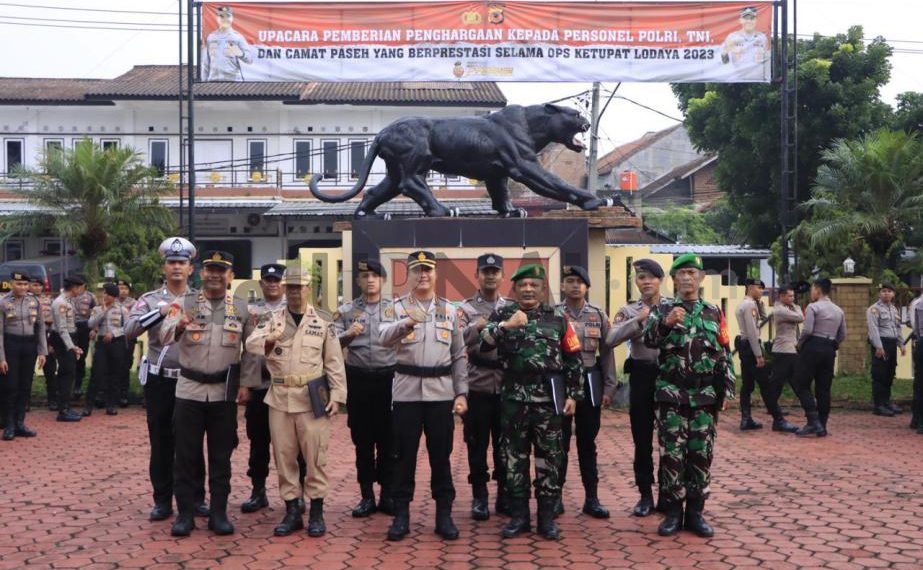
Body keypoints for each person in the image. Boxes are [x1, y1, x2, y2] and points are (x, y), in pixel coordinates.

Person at [481, 263, 583, 541]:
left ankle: (547, 518)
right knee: (514, 458)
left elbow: (573, 358)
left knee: (549, 458)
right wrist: (506, 326)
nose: (528, 289)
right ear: (514, 289)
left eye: (533, 285)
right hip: (514, 400)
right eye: (522, 285)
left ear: (542, 289)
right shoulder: (503, 314)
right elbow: (484, 342)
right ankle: (519, 517)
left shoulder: (558, 318)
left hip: (549, 401)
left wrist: (573, 395)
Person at [245, 267, 347, 537]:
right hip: (279, 398)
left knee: (315, 458)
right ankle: (292, 512)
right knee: (284, 457)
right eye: (289, 287)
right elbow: (251, 344)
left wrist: (337, 396)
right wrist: (269, 338)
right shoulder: (272, 319)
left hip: (312, 398)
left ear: (308, 289)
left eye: (299, 287)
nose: (294, 292)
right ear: (284, 289)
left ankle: (316, 513)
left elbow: (334, 362)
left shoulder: (323, 321)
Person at [160, 250, 252, 537]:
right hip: (189, 391)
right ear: (201, 274)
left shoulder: (241, 308)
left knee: (221, 456)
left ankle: (219, 513)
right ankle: (185, 514)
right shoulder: (183, 303)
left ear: (230, 276)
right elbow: (163, 335)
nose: (214, 275)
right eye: (210, 270)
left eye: (221, 271)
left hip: (224, 393)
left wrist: (246, 384)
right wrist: (178, 327)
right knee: (185, 455)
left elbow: (251, 351)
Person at [642, 253, 735, 538]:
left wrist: (728, 388)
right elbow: (648, 340)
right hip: (671, 394)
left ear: (701, 278)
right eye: (681, 273)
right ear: (673, 279)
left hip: (704, 396)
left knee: (701, 454)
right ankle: (673, 513)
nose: (686, 278)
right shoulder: (662, 309)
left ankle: (695, 513)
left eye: (692, 273)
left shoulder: (713, 311)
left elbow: (724, 351)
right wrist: (666, 323)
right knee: (672, 454)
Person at [378, 251, 468, 542]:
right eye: (417, 270)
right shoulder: (395, 308)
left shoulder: (449, 310)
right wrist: (406, 323)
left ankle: (444, 515)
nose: (423, 275)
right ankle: (401, 515)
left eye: (428, 270)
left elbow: (459, 355)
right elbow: (382, 338)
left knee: (441, 456)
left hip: (440, 393)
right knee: (403, 456)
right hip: (406, 393)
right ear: (409, 275)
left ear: (435, 274)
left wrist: (461, 393)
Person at [126, 237, 209, 522]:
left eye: (181, 263)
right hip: (160, 381)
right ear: (164, 267)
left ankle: (196, 498)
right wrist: (160, 312)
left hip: (191, 380)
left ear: (190, 268)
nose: (176, 267)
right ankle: (162, 500)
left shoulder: (201, 299)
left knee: (193, 442)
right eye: (172, 262)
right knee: (161, 442)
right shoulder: (150, 299)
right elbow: (130, 330)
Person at [239, 263, 306, 515]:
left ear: (284, 284)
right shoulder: (250, 311)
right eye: (268, 280)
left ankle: (298, 493)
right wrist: (245, 384)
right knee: (258, 441)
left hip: (288, 384)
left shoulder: (297, 309)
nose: (272, 284)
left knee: (294, 443)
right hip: (259, 385)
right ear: (261, 284)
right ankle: (258, 492)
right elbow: (247, 351)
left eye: (277, 280)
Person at [334, 259, 397, 518]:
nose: (370, 280)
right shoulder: (346, 311)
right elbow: (331, 343)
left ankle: (388, 495)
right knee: (362, 440)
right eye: (365, 276)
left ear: (383, 280)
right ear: (358, 281)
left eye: (375, 276)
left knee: (389, 440)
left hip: (389, 381)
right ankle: (367, 496)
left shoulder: (396, 309)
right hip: (359, 381)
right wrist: (348, 334)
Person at [605, 258, 666, 517]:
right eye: (641, 278)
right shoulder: (629, 310)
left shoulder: (673, 307)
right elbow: (610, 339)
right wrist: (638, 321)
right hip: (641, 376)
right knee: (642, 439)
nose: (646, 282)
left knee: (670, 439)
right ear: (637, 282)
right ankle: (645, 495)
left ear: (660, 280)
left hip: (669, 377)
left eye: (651, 277)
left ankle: (668, 493)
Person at [556, 265, 615, 518]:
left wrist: (610, 386)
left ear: (587, 287)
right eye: (570, 281)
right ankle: (555, 498)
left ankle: (592, 498)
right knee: (558, 443)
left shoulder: (598, 315)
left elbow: (607, 351)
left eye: (580, 282)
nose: (575, 286)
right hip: (561, 382)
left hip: (591, 380)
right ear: (562, 286)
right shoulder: (553, 314)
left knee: (587, 442)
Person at [457, 253, 508, 521]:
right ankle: (480, 497)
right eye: (485, 271)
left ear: (502, 276)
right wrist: (476, 327)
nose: (490, 276)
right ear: (477, 275)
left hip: (507, 387)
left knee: (505, 445)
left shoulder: (511, 307)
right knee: (476, 445)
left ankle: (504, 494)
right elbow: (455, 341)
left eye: (495, 271)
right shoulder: (465, 309)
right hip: (477, 385)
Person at [735, 279, 798, 433]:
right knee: (766, 385)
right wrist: (758, 355)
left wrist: (760, 303)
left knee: (747, 385)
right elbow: (752, 331)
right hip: (751, 347)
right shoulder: (749, 305)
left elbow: (763, 317)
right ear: (750, 288)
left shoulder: (746, 304)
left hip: (744, 346)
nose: (761, 291)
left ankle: (746, 419)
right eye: (758, 288)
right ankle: (778, 420)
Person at [792, 278, 847, 437]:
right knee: (823, 388)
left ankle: (813, 421)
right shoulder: (838, 310)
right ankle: (822, 425)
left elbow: (808, 330)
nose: (811, 292)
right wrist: (833, 344)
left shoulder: (813, 307)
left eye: (812, 289)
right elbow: (843, 334)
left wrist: (799, 344)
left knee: (801, 383)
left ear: (817, 289)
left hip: (813, 346)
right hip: (829, 349)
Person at [0, 271, 47, 440]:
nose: (22, 287)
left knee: (25, 385)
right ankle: (9, 425)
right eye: (19, 284)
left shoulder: (34, 301)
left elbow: (41, 327)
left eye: (25, 284)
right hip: (11, 344)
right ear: (11, 284)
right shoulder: (3, 302)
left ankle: (20, 423)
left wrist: (42, 351)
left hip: (29, 345)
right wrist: (1, 358)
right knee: (10, 386)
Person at [83, 283, 128, 417]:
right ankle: (88, 406)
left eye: (108, 294)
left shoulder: (122, 310)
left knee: (115, 374)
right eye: (105, 293)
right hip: (102, 342)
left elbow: (127, 327)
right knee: (96, 373)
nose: (105, 296)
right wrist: (103, 311)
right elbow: (90, 324)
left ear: (114, 296)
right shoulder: (97, 309)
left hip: (116, 342)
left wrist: (114, 333)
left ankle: (111, 405)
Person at [50, 275, 86, 422]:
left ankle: (66, 406)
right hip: (63, 340)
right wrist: (71, 347)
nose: (82, 291)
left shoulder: (68, 301)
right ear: (74, 288)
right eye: (81, 288)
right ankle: (63, 411)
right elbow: (62, 329)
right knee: (66, 373)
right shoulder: (61, 303)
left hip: (68, 338)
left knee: (69, 373)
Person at [867, 282, 905, 417]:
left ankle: (886, 402)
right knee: (879, 375)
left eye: (889, 291)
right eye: (883, 291)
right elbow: (873, 329)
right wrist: (878, 346)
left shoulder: (894, 309)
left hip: (892, 343)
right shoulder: (874, 309)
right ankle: (879, 405)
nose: (886, 294)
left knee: (889, 373)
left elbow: (898, 328)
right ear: (879, 293)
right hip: (881, 344)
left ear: (893, 294)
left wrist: (901, 344)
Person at [770, 285, 804, 425]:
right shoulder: (780, 310)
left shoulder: (787, 308)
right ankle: (773, 409)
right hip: (783, 350)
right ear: (782, 296)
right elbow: (801, 317)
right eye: (790, 296)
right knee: (778, 383)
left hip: (790, 350)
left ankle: (809, 409)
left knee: (795, 381)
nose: (792, 298)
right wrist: (797, 306)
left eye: (793, 296)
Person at [202, 6, 253, 81]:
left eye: (228, 16)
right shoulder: (211, 37)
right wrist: (204, 82)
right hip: (214, 80)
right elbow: (206, 63)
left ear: (232, 18)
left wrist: (241, 54)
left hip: (233, 81)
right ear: (217, 18)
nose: (225, 19)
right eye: (222, 16)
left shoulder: (237, 37)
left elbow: (250, 59)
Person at [32, 276, 58, 411]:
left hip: (47, 337)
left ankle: (52, 400)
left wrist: (52, 342)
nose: (37, 288)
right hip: (29, 338)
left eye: (39, 285)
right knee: (26, 373)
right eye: (34, 285)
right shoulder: (23, 301)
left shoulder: (50, 301)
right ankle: (24, 402)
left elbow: (54, 322)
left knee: (50, 371)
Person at [70, 277, 95, 400]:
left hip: (84, 328)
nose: (77, 287)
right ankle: (69, 386)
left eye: (80, 284)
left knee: (81, 356)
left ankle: (78, 386)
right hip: (70, 327)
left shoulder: (90, 297)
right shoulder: (68, 295)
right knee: (70, 356)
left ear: (84, 285)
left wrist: (93, 329)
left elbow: (95, 313)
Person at [117, 279, 136, 407]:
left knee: (125, 365)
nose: (123, 291)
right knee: (113, 366)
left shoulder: (134, 303)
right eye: (120, 288)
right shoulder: (111, 301)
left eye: (125, 288)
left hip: (128, 338)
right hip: (114, 338)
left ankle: (123, 394)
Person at [909, 292, 923, 433]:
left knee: (919, 383)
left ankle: (917, 419)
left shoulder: (918, 304)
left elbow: (916, 328)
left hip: (921, 343)